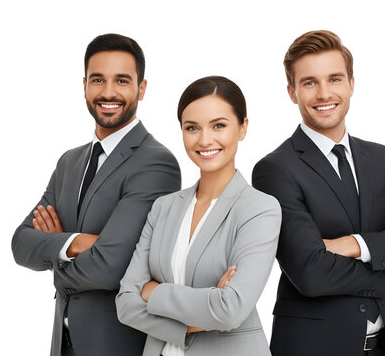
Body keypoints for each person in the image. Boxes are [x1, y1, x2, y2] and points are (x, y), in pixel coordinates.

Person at [252, 30, 385, 356]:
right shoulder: (275, 170)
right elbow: (309, 272)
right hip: (315, 346)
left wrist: (353, 245)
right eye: (310, 82)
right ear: (291, 92)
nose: (324, 93)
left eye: (335, 79)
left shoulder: (383, 158)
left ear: (351, 84)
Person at [11, 33, 181, 356]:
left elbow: (110, 267)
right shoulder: (68, 162)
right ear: (85, 84)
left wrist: (54, 253)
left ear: (141, 89)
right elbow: (20, 243)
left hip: (116, 346)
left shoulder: (155, 162)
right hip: (62, 347)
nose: (108, 92)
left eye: (121, 80)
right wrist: (75, 242)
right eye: (98, 79)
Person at [116, 76, 281, 356]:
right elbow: (126, 304)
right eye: (192, 128)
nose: (205, 139)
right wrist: (200, 316)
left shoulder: (260, 209)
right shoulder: (163, 207)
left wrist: (152, 292)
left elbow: (230, 310)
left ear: (242, 128)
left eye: (219, 125)